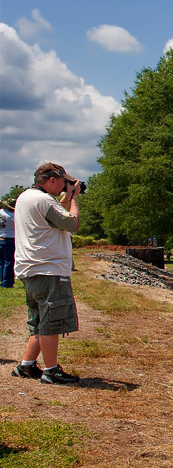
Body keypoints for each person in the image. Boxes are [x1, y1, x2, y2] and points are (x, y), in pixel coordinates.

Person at [11, 163, 82, 385]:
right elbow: (71, 223)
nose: (64, 186)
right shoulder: (43, 200)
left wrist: (66, 196)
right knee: (52, 322)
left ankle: (27, 365)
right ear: (52, 180)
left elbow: (54, 216)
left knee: (41, 321)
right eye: (63, 182)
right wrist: (73, 199)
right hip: (48, 270)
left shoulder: (26, 197)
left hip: (31, 269)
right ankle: (51, 371)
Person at [0, 200, 14, 287]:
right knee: (9, 261)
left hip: (1, 237)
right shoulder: (12, 216)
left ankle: (2, 279)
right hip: (9, 238)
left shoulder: (1, 212)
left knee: (1, 261)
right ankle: (7, 282)